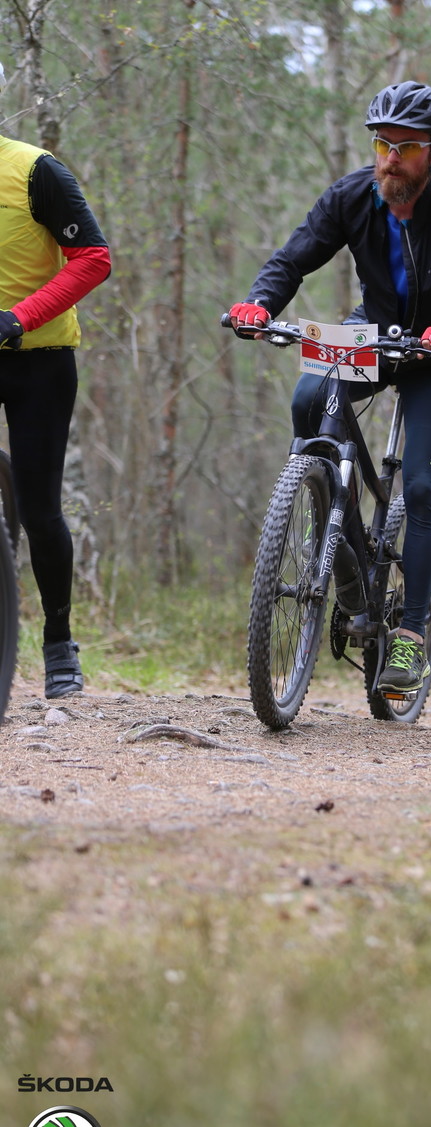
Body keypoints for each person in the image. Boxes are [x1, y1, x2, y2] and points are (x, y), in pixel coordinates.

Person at [228, 79, 431, 693]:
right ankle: (333, 524)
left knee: (418, 488)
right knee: (309, 399)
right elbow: (293, 258)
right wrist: (259, 303)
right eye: (382, 143)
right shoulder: (353, 197)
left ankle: (410, 636)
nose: (390, 157)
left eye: (405, 147)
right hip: (375, 335)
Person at [0, 61, 112, 698]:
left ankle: (57, 643)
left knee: (41, 510)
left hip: (39, 358)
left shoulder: (35, 170)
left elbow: (93, 258)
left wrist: (19, 317)